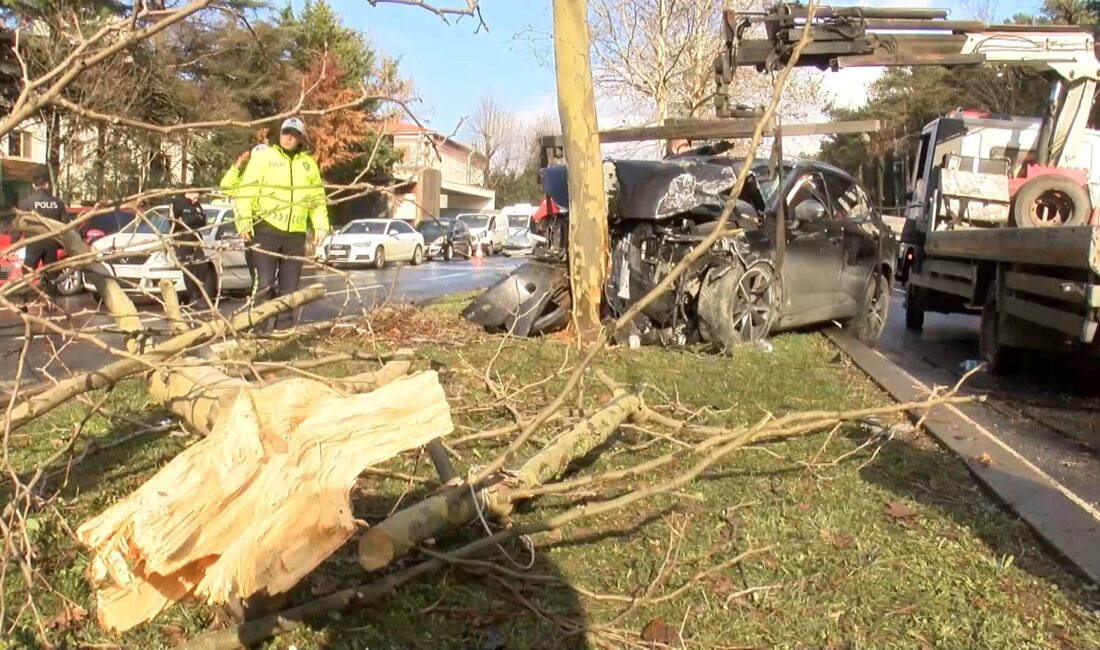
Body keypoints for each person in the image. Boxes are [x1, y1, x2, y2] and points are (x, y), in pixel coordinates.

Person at [234, 118, 328, 325]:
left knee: (289, 288)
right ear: (280, 134)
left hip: (295, 234)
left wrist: (320, 226)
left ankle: (284, 329)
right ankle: (258, 330)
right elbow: (246, 192)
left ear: (300, 138)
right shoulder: (264, 158)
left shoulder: (308, 165)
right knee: (265, 284)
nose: (288, 137)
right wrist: (244, 223)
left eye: (293, 134)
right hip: (266, 230)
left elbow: (317, 200)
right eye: (286, 132)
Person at [220, 143, 267, 292]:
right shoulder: (245, 182)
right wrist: (238, 164)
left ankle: (265, 296)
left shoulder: (273, 181)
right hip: (249, 233)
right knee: (255, 271)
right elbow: (226, 186)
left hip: (267, 229)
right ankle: (258, 298)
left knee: (265, 273)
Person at [16, 172, 66, 296]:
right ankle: (51, 302)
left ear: (33, 185)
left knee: (27, 273)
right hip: (51, 242)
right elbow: (65, 225)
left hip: (33, 242)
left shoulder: (26, 203)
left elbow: (18, 224)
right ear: (47, 185)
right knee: (52, 274)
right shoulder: (58, 203)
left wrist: (14, 241)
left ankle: (24, 302)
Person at [170, 190, 217, 306]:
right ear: (188, 193)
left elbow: (202, 220)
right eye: (195, 197)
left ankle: (203, 296)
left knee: (202, 266)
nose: (196, 199)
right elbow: (174, 222)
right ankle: (193, 297)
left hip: (196, 239)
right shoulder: (177, 203)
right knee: (188, 269)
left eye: (197, 198)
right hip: (183, 239)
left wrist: (195, 220)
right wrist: (191, 220)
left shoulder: (196, 205)